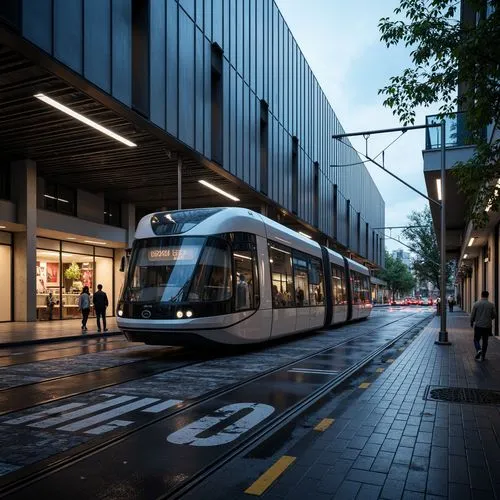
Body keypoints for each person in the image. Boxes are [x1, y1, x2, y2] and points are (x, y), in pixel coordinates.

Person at [471, 290, 497, 362]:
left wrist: (471, 322)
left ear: (481, 295)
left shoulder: (476, 304)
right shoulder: (491, 305)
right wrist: (489, 318)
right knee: (485, 341)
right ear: (488, 296)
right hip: (487, 326)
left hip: (478, 325)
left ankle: (479, 350)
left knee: (476, 339)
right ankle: (483, 356)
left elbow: (472, 315)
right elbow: (494, 315)